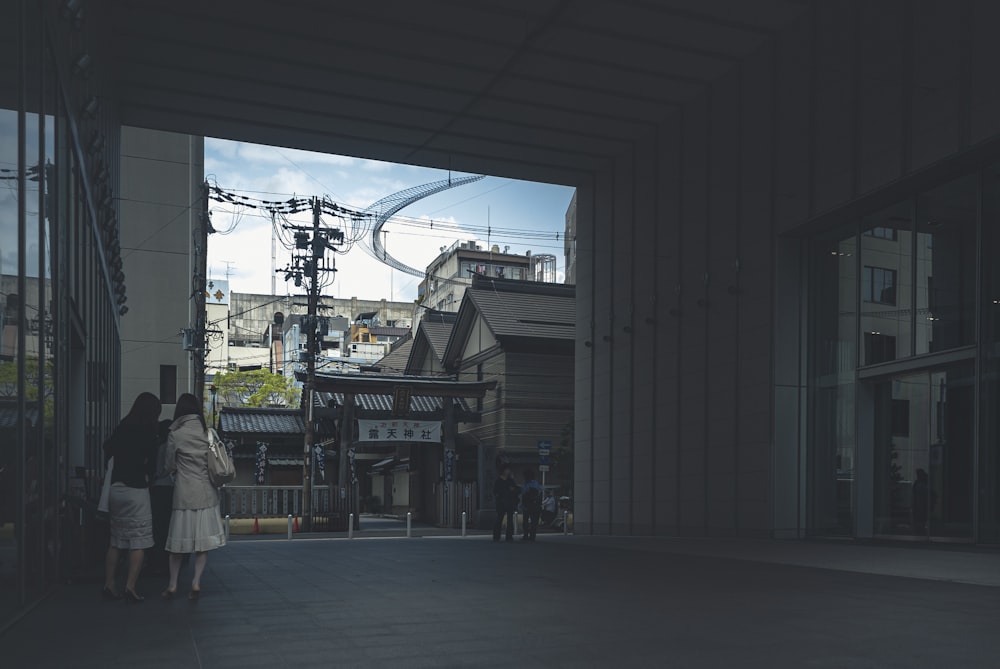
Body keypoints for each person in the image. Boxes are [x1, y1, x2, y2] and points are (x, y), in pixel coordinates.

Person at [162, 393, 226, 600]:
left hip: (183, 495)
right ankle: (196, 582)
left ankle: (172, 585)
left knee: (177, 545)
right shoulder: (208, 434)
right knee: (202, 545)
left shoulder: (175, 435)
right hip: (206, 495)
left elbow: (169, 465)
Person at [103, 391, 162, 603]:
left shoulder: (123, 427)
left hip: (116, 488)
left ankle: (109, 583)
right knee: (139, 541)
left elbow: (107, 448)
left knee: (116, 540)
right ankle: (130, 587)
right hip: (137, 490)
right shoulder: (149, 432)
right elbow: (153, 465)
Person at [148, 419, 175, 576]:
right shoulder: (171, 447)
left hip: (158, 487)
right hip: (170, 488)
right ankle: (166, 562)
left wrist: (154, 477)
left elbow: (159, 469)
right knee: (167, 526)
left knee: (158, 526)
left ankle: (157, 561)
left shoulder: (159, 447)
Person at [492, 465, 518, 542]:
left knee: (510, 519)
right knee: (499, 518)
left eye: (508, 470)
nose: (508, 471)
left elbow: (515, 489)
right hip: (501, 502)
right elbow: (495, 491)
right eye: (507, 470)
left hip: (510, 502)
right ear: (503, 471)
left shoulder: (510, 480)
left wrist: (513, 489)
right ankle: (496, 535)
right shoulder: (498, 481)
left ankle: (509, 536)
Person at [520, 469, 542, 541]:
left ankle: (527, 535)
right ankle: (531, 536)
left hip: (530, 505)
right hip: (532, 506)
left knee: (527, 521)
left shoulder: (530, 484)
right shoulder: (535, 484)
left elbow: (525, 495)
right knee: (532, 522)